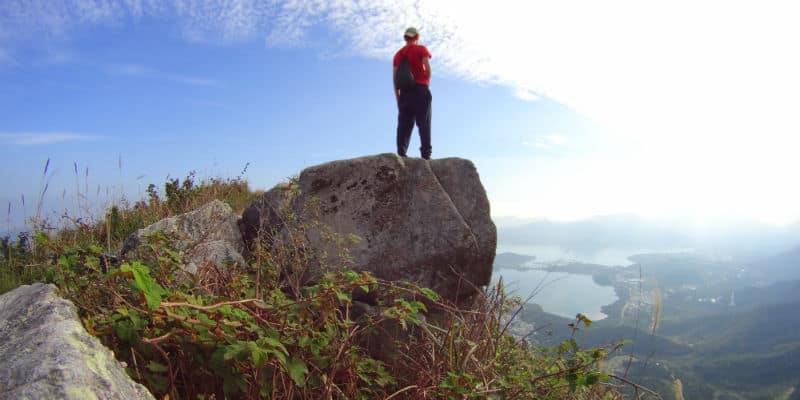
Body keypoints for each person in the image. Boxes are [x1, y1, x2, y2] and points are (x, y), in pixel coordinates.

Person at [393, 27, 432, 160]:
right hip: (421, 89)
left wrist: (398, 97)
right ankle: (426, 155)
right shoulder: (421, 49)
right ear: (417, 37)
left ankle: (401, 154)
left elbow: (395, 79)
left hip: (404, 93)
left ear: (405, 38)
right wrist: (425, 80)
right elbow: (428, 69)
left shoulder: (398, 55)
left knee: (404, 126)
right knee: (424, 123)